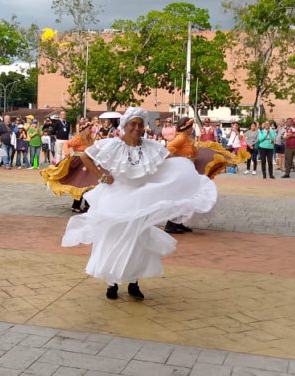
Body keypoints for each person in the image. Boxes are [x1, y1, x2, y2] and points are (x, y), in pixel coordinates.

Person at [62, 107, 217, 300]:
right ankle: (112, 283)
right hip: (115, 198)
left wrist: (187, 171)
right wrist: (102, 175)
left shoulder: (151, 146)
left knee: (136, 241)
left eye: (140, 124)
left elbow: (170, 161)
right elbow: (85, 155)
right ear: (125, 125)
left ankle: (134, 282)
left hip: (141, 200)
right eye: (133, 124)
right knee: (114, 239)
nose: (137, 128)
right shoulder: (111, 144)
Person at [40, 121, 97, 213]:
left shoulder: (90, 139)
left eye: (91, 128)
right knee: (81, 184)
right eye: (89, 128)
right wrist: (67, 152)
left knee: (90, 183)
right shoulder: (79, 138)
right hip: (79, 162)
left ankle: (87, 204)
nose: (91, 130)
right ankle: (76, 206)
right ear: (84, 130)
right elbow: (67, 144)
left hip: (87, 162)